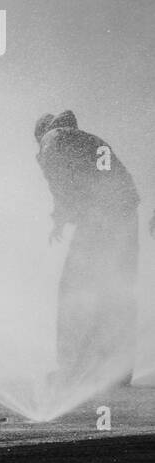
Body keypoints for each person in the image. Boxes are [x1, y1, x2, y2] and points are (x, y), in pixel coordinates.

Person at [35, 110, 139, 389]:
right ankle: (117, 369)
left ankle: (70, 369)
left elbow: (62, 181)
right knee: (116, 288)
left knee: (73, 290)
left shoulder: (51, 139)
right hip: (126, 214)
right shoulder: (88, 139)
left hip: (99, 219)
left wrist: (59, 218)